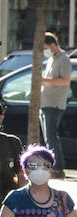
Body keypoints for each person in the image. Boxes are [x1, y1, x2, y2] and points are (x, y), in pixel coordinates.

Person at [39, 32, 71, 176]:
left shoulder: (63, 59)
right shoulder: (52, 59)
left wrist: (43, 80)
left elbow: (64, 80)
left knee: (51, 137)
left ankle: (57, 168)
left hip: (54, 103)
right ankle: (56, 166)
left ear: (52, 45)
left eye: (45, 47)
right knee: (49, 137)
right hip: (46, 102)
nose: (44, 51)